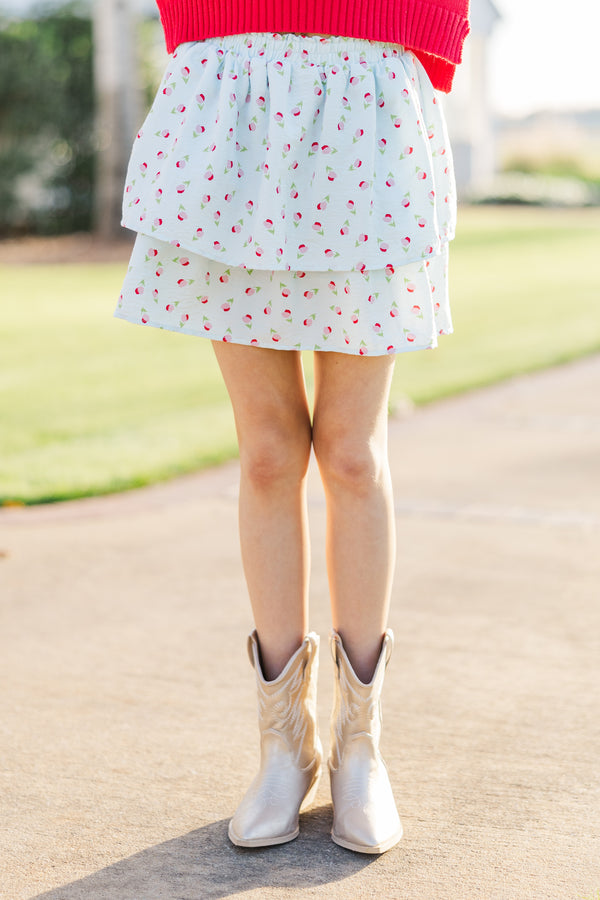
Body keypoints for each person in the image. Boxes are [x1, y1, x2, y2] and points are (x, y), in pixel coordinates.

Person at [115, 0, 470, 855]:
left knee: (351, 453)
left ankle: (360, 749)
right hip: (231, 90)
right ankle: (284, 746)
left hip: (368, 85)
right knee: (269, 453)